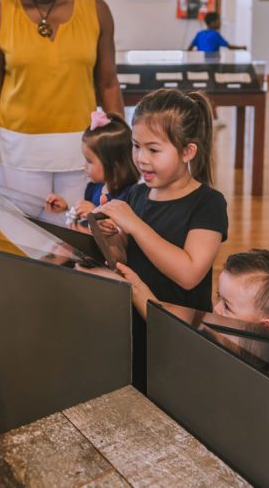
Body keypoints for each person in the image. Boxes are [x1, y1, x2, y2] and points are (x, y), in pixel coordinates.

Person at [0, 0, 123, 221]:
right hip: (18, 151)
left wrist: (120, 152)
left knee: (76, 236)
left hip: (81, 150)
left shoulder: (96, 10)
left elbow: (108, 85)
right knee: (25, 239)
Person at [94, 88, 228, 389]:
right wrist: (112, 235)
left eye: (154, 150)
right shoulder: (139, 194)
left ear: (187, 151)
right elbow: (132, 255)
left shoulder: (208, 203)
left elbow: (190, 274)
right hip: (137, 322)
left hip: (177, 333)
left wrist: (136, 225)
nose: (141, 159)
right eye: (136, 146)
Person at [116, 249, 269, 334]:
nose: (216, 308)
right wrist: (136, 287)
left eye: (227, 306)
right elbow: (166, 318)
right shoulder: (216, 327)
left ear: (265, 326)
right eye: (219, 297)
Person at [44, 110, 138, 222]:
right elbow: (87, 224)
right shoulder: (93, 188)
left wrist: (96, 213)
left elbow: (124, 232)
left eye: (89, 161)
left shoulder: (131, 196)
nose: (85, 166)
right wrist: (69, 209)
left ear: (114, 166)